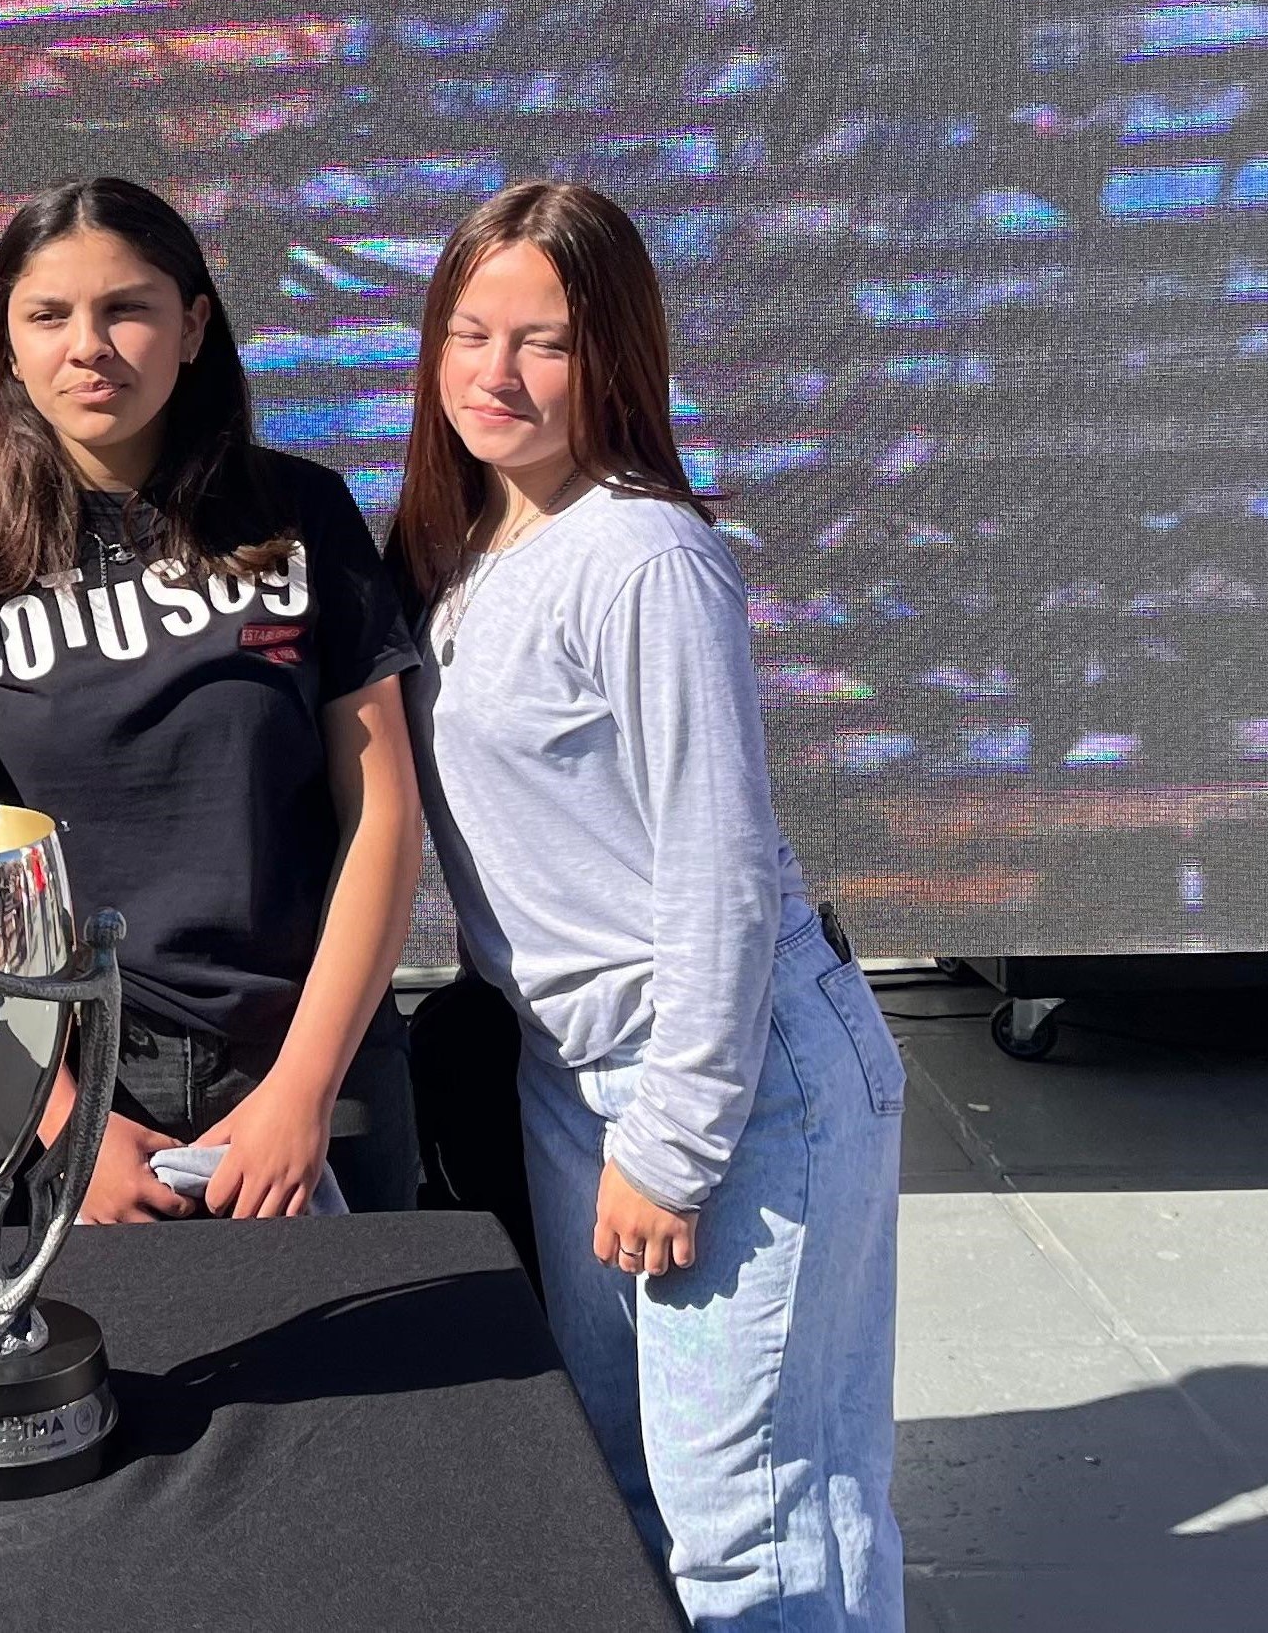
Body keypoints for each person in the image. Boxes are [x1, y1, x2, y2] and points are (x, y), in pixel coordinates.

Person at [388, 181, 903, 1626]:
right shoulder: (456, 549)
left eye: (542, 342)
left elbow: (717, 869)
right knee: (623, 1484)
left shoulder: (644, 558)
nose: (495, 374)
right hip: (575, 1080)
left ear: (613, 356)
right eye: (468, 332)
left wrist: (673, 1145)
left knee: (758, 1517)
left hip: (723, 1083)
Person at [0, 177, 425, 1222]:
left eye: (126, 308)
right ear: (5, 343)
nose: (89, 345)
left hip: (309, 1061)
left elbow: (384, 816)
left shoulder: (301, 510)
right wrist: (57, 1119)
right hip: (67, 1075)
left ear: (193, 328)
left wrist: (303, 1090)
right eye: (48, 315)